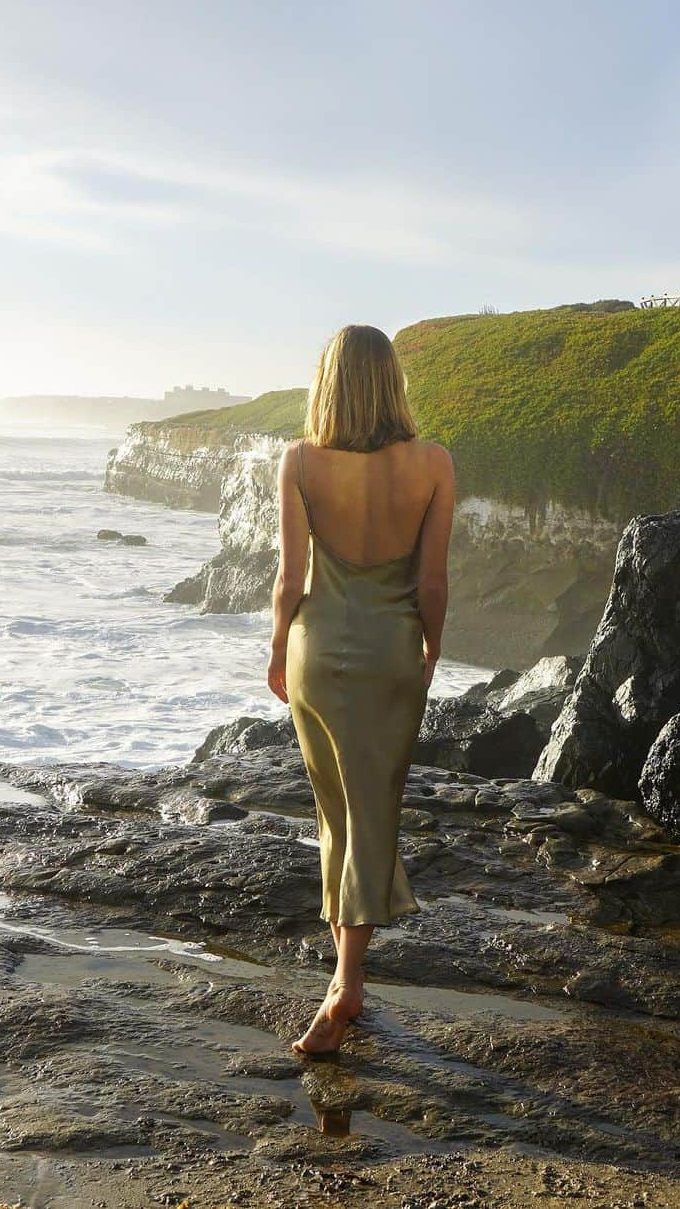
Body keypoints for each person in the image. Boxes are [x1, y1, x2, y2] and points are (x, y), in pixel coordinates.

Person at [267, 323, 455, 1056]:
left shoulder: (300, 462)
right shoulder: (434, 463)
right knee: (373, 810)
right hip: (391, 652)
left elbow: (289, 580)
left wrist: (278, 650)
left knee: (335, 814)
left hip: (319, 649)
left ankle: (345, 984)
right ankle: (347, 981)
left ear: (328, 382)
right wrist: (434, 643)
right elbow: (433, 581)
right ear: (392, 381)